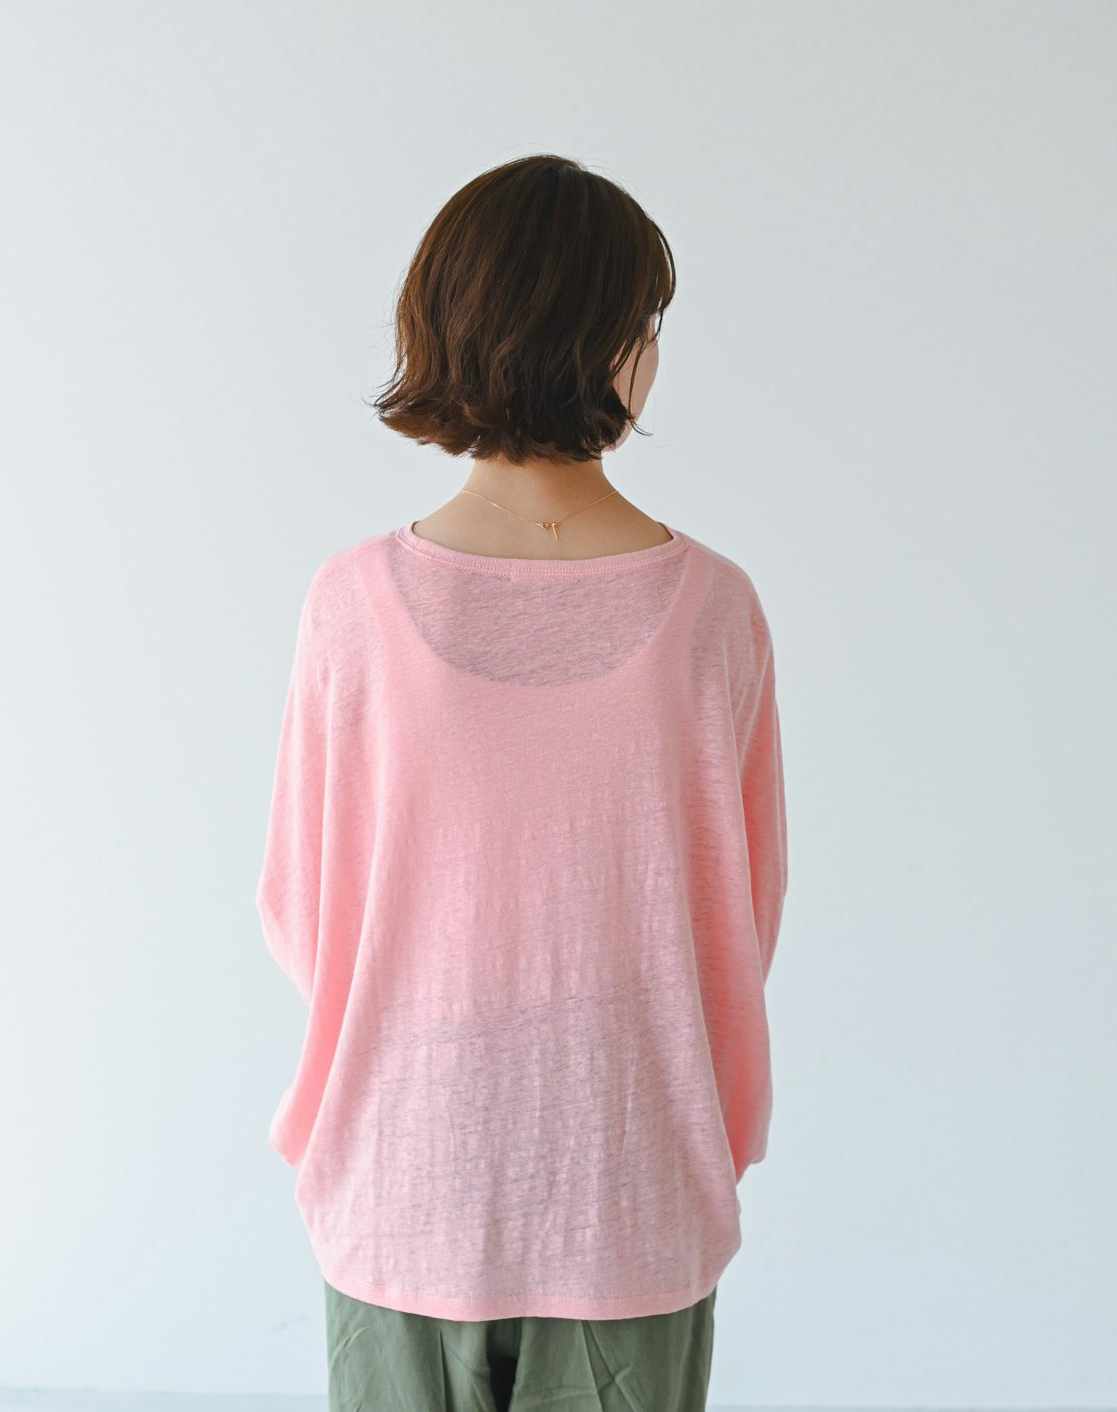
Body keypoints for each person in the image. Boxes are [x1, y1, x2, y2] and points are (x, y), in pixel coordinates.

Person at [256, 153, 788, 1412]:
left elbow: (299, 911)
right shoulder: (713, 610)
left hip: (407, 1161)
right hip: (628, 1173)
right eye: (644, 320)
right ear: (614, 341)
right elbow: (742, 922)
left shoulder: (353, 605)